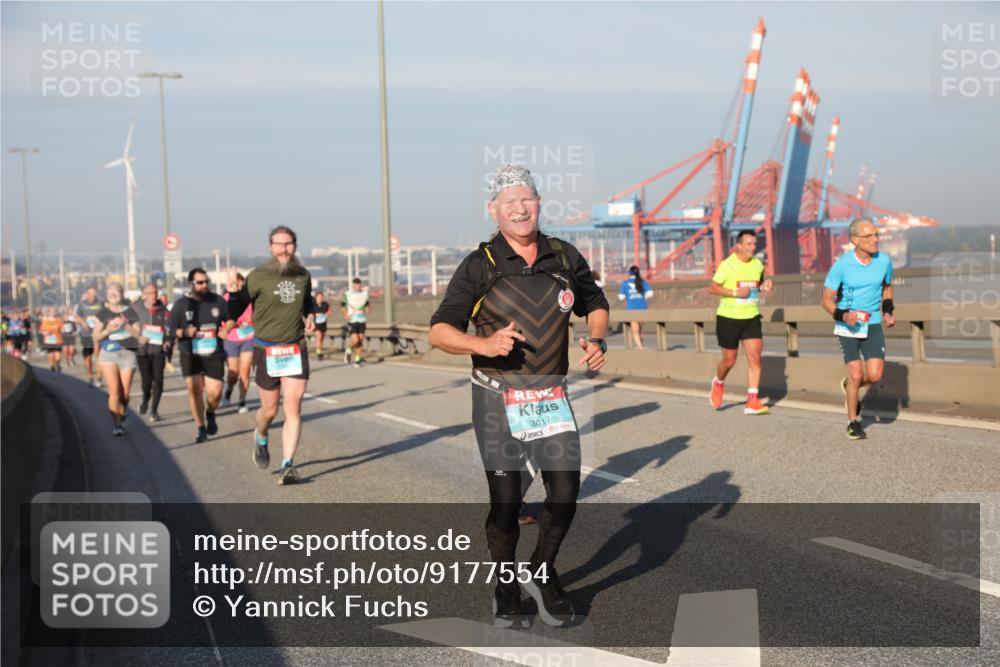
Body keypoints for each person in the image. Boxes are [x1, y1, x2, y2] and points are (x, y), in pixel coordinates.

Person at [429, 164, 609, 629]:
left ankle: (541, 570)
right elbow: (440, 330)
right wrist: (482, 345)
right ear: (494, 210)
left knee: (566, 491)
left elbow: (597, 304)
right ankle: (505, 585)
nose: (519, 208)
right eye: (509, 202)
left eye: (526, 199)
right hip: (496, 398)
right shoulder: (480, 265)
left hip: (550, 396)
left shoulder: (564, 256)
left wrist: (596, 338)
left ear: (539, 204)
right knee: (507, 502)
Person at [226, 226, 316, 485]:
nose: (283, 249)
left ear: (295, 246)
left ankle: (288, 464)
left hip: (295, 348)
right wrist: (233, 292)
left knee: (293, 406)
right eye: (279, 244)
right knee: (269, 409)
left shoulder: (303, 275)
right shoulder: (258, 276)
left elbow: (306, 301)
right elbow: (237, 306)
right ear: (270, 246)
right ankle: (261, 437)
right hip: (266, 350)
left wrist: (309, 314)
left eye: (288, 244)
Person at [821, 218, 895, 440]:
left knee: (874, 375)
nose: (875, 239)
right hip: (847, 325)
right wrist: (842, 315)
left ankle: (850, 385)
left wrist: (888, 311)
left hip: (872, 323)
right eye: (869, 236)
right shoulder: (842, 265)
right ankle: (853, 421)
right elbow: (826, 299)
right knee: (856, 374)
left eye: (876, 235)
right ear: (855, 240)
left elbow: (887, 287)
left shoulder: (884, 261)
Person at [708, 229, 774, 415]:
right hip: (729, 318)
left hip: (751, 316)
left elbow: (757, 286)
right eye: (749, 244)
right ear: (739, 245)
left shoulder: (757, 265)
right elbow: (712, 288)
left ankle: (752, 400)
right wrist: (735, 293)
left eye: (754, 244)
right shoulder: (727, 265)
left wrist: (766, 286)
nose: (753, 248)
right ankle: (718, 382)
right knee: (729, 361)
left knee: (755, 357)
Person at [169, 268, 231, 443]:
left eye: (206, 281)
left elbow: (231, 318)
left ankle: (210, 412)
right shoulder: (181, 304)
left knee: (216, 392)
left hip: (213, 354)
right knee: (195, 390)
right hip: (190, 354)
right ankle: (201, 427)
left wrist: (226, 329)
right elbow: (170, 330)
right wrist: (184, 331)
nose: (204, 285)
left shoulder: (217, 300)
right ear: (191, 284)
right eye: (200, 282)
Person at [90, 283, 140, 436]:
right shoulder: (102, 313)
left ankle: (124, 412)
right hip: (108, 354)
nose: (112, 294)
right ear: (106, 295)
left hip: (127, 354)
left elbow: (137, 334)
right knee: (114, 391)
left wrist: (125, 325)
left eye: (116, 291)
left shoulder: (130, 312)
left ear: (121, 294)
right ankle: (117, 425)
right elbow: (95, 336)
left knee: (124, 393)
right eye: (109, 291)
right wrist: (107, 330)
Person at [132, 283, 169, 423]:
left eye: (155, 292)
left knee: (158, 381)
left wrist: (167, 341)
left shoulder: (163, 310)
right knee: (146, 383)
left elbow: (169, 328)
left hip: (158, 350)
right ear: (143, 294)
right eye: (149, 293)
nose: (153, 296)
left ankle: (154, 411)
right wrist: (137, 337)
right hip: (142, 351)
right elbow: (128, 326)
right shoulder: (136, 308)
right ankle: (145, 400)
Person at [222, 272, 254, 414]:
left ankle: (242, 401)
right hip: (232, 339)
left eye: (241, 283)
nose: (239, 285)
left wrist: (252, 320)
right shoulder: (227, 297)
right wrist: (235, 324)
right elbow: (224, 320)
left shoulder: (251, 298)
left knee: (245, 372)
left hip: (248, 338)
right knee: (233, 373)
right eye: (236, 283)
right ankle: (229, 389)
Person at [76, 287, 105, 388]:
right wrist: (83, 322)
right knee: (88, 357)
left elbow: (106, 315)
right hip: (86, 334)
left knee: (99, 355)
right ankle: (90, 375)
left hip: (98, 334)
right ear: (87, 294)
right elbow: (77, 317)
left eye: (94, 294)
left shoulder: (101, 303)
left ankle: (99, 378)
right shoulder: (82, 304)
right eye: (90, 293)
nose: (92, 296)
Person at [618, 265, 652, 350]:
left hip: (632, 308)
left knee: (635, 331)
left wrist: (629, 296)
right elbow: (650, 293)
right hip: (643, 307)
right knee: (639, 330)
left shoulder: (625, 283)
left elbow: (621, 297)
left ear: (629, 273)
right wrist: (642, 296)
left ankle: (640, 348)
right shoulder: (642, 282)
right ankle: (640, 344)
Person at [341, 278, 370, 366]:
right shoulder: (348, 294)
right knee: (356, 340)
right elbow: (343, 305)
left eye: (359, 285)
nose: (358, 286)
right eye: (356, 285)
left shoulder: (364, 294)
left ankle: (357, 359)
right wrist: (345, 314)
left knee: (360, 339)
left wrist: (367, 309)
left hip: (362, 319)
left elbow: (367, 305)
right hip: (352, 320)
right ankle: (349, 350)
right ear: (353, 285)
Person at [39, 307, 65, 373]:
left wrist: (63, 331)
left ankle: (57, 364)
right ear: (49, 313)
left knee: (58, 356)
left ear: (56, 312)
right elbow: (41, 330)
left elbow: (62, 329)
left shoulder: (59, 320)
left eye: (54, 311)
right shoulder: (45, 321)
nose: (53, 313)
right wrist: (45, 333)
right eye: (51, 311)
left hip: (58, 340)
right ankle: (52, 367)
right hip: (48, 341)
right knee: (51, 356)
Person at [312, 290, 331, 360]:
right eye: (319, 297)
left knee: (322, 338)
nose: (320, 298)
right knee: (319, 336)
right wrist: (315, 315)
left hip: (323, 323)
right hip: (316, 323)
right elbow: (309, 313)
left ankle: (319, 350)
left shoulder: (325, 304)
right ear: (316, 297)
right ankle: (318, 352)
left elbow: (329, 311)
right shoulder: (313, 304)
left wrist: (326, 314)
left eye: (321, 297)